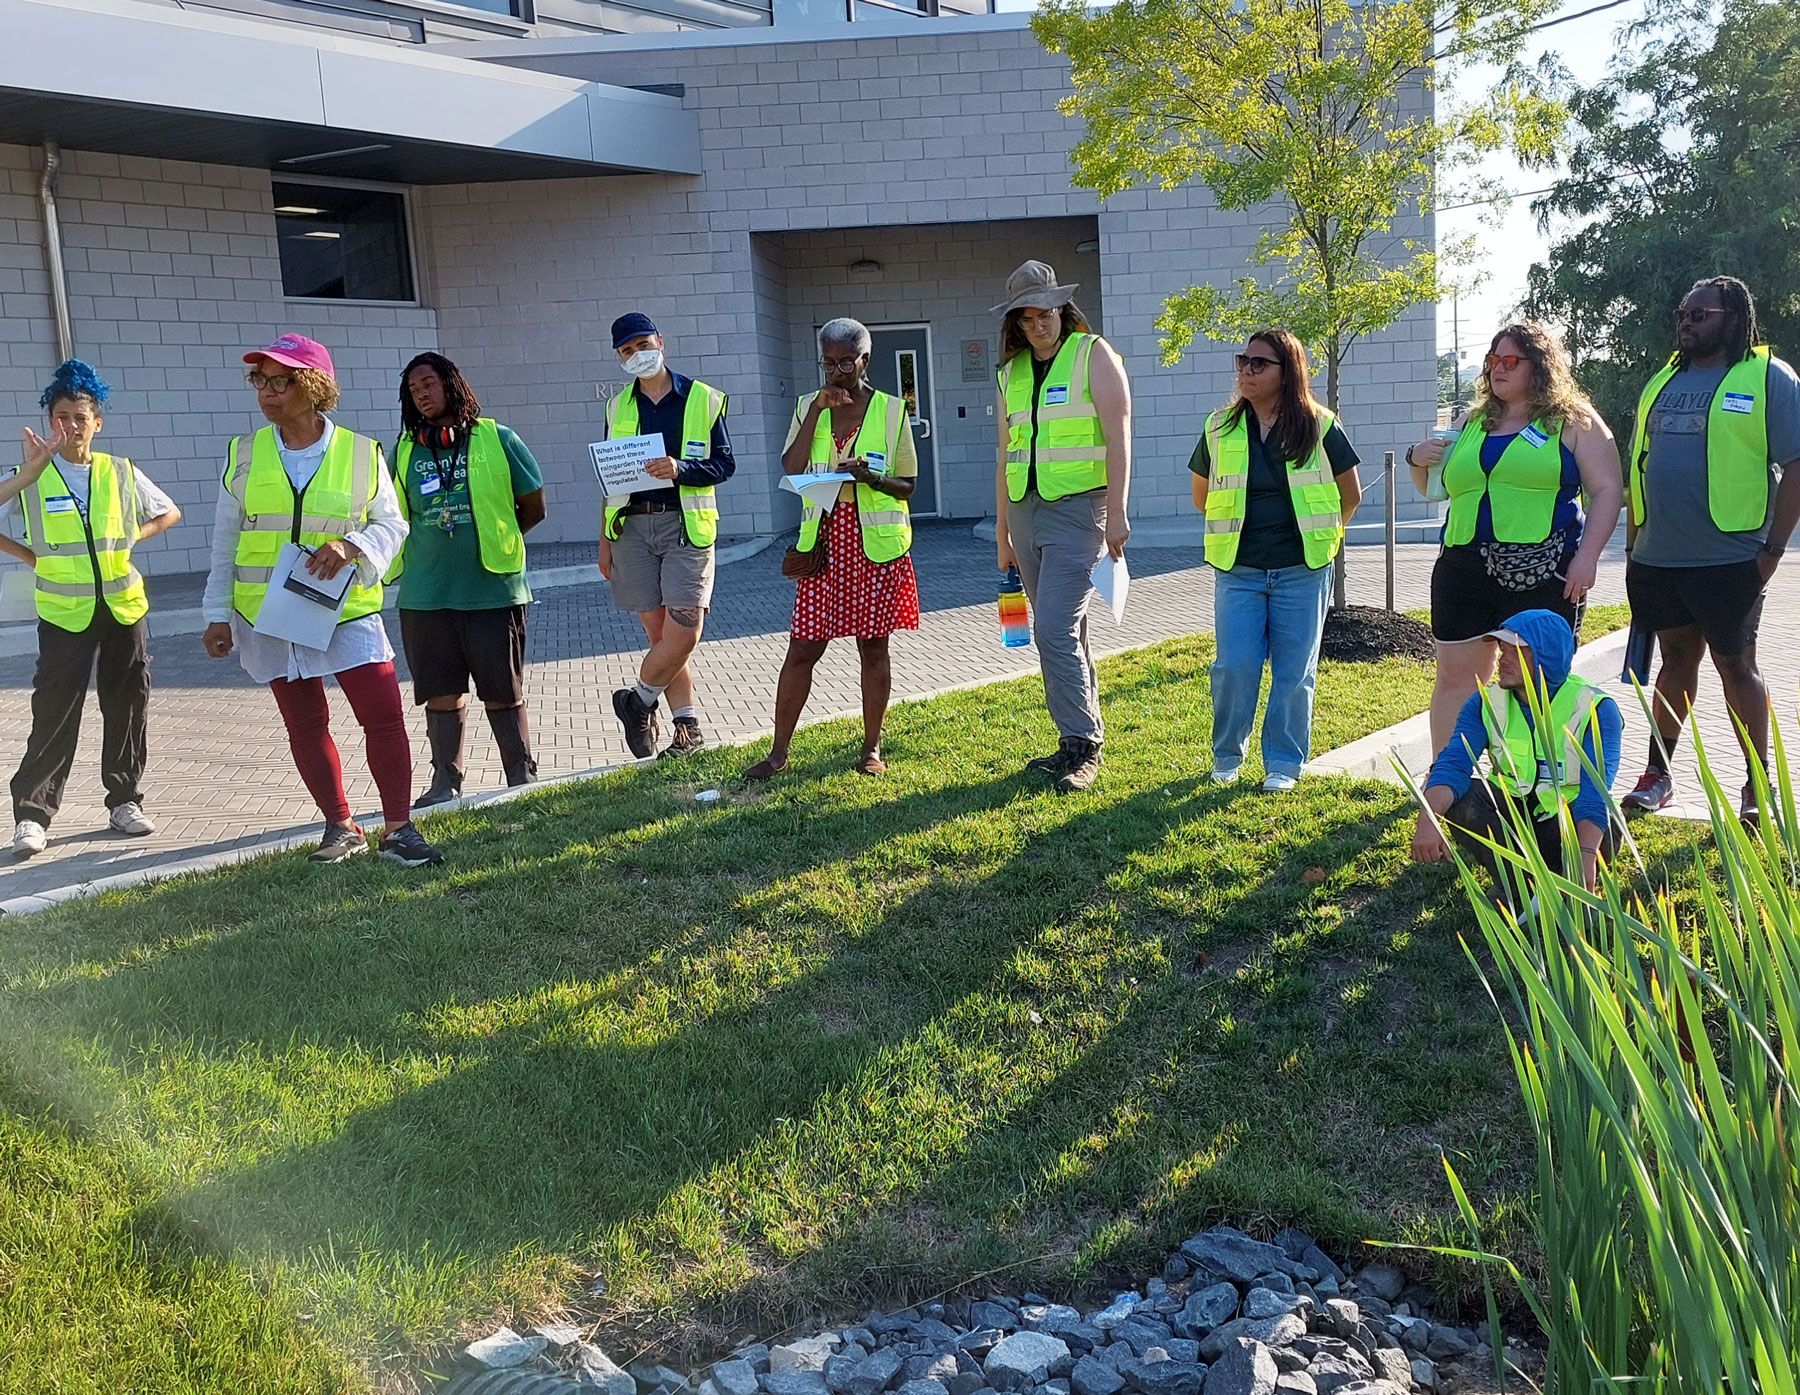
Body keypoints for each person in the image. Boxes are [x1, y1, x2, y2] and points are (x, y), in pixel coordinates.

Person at [201, 333, 441, 868]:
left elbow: (392, 523)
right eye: (260, 381)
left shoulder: (361, 452)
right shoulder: (242, 454)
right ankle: (340, 825)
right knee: (305, 724)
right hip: (268, 616)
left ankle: (398, 828)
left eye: (280, 381)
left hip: (344, 612)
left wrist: (353, 545)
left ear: (313, 387)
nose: (267, 392)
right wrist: (216, 614)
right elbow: (224, 542)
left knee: (382, 716)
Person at [1617, 276, 1800, 824]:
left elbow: (1796, 464)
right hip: (1657, 557)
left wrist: (1772, 549)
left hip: (1731, 559)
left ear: (1733, 317)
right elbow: (1639, 464)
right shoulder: (1663, 380)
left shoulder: (1769, 378)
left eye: (1700, 313)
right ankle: (1658, 774)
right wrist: (1632, 545)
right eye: (1682, 312)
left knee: (1735, 665)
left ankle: (1756, 783)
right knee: (1674, 664)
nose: (1686, 321)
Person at [1407, 321, 1622, 755]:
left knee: (1535, 682)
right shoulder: (1470, 421)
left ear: (1539, 367)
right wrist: (1416, 459)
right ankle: (1448, 782)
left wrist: (1588, 558)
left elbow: (1608, 490)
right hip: (1463, 568)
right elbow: (1438, 488)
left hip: (1544, 571)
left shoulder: (1573, 420)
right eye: (1491, 361)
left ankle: (1539, 781)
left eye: (1510, 361)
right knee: (1455, 681)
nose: (1496, 370)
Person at [2, 361, 180, 858]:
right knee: (54, 712)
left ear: (96, 423)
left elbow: (168, 512)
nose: (71, 427)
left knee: (126, 706)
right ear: (48, 421)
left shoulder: (119, 470)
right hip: (64, 613)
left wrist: (130, 539)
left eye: (80, 417)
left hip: (124, 608)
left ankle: (124, 801)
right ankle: (32, 817)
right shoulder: (31, 475)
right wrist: (29, 550)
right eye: (61, 417)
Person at [741, 318, 920, 781]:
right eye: (828, 362)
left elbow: (908, 486)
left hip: (875, 547)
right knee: (802, 649)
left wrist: (872, 478)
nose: (837, 371)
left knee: (873, 648)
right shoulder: (808, 405)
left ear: (865, 359)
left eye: (846, 361)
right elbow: (792, 464)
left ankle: (872, 748)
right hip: (822, 542)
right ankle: (778, 752)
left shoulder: (891, 410)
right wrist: (819, 410)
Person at [1191, 329, 1363, 791]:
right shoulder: (1219, 427)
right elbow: (1201, 497)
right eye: (1243, 360)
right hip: (1239, 570)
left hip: (1302, 570)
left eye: (1259, 363)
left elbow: (1350, 495)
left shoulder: (1321, 425)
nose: (1247, 370)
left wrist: (1320, 537)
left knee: (1294, 672)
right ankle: (1227, 756)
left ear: (1288, 372)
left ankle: (1283, 764)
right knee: (1234, 667)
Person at [991, 261, 1132, 794]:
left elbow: (1120, 435)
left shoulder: (1092, 353)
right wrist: (1003, 535)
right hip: (1026, 513)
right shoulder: (1011, 374)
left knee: (1052, 629)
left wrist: (1117, 511)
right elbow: (1004, 457)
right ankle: (1076, 737)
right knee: (1064, 632)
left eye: (1045, 313)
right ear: (1016, 325)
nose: (1038, 326)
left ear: (1061, 309)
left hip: (1081, 512)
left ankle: (1083, 745)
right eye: (1026, 319)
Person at [390, 352, 546, 807]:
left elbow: (532, 506)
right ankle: (446, 783)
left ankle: (520, 775)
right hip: (425, 595)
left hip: (491, 591)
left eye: (428, 383)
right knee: (439, 693)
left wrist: (498, 540)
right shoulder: (403, 449)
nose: (421, 392)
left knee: (502, 690)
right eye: (412, 388)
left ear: (451, 384)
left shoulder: (499, 438)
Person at [598, 313, 736, 760]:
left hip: (685, 523)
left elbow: (725, 465)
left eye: (642, 344)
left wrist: (681, 469)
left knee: (684, 633)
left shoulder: (703, 398)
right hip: (632, 528)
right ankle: (686, 726)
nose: (637, 355)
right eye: (626, 351)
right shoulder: (617, 406)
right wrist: (604, 541)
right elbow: (610, 478)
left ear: (661, 341)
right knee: (658, 635)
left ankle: (636, 701)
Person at [1410, 609, 1622, 894]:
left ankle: (1567, 882)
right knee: (1461, 800)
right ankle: (1519, 888)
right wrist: (1428, 819)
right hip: (1513, 821)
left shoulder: (1595, 708)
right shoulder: (1485, 702)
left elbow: (1595, 792)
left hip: (1570, 825)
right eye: (1501, 649)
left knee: (1607, 821)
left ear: (1545, 657)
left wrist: (1584, 858)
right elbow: (1453, 764)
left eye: (1515, 651)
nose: (1501, 659)